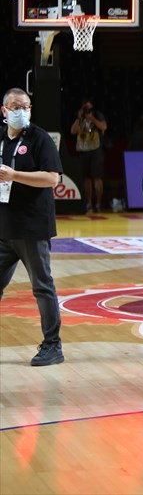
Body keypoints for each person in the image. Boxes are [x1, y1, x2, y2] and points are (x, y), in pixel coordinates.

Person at [0, 88, 64, 365]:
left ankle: (53, 346)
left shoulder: (39, 138)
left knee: (42, 286)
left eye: (26, 106)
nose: (22, 111)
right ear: (4, 111)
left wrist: (15, 175)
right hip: (4, 228)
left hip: (32, 228)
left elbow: (52, 179)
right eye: (16, 106)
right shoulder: (1, 138)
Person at [71, 96, 107, 212]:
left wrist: (92, 118)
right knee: (86, 179)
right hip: (83, 150)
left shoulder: (97, 114)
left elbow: (104, 127)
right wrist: (78, 118)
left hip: (96, 150)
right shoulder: (80, 117)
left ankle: (98, 204)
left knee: (97, 178)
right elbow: (73, 131)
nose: (87, 109)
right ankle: (88, 203)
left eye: (88, 107)